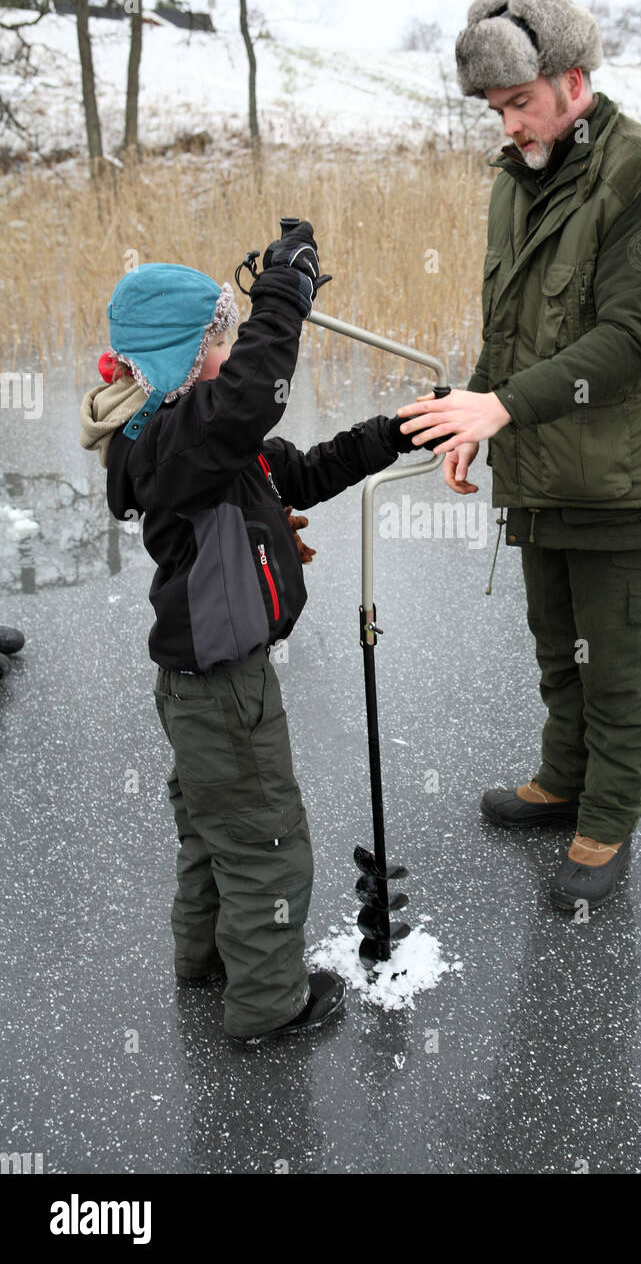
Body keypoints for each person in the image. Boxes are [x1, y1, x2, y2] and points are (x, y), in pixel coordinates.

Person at [398, 0, 641, 910]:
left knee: (614, 656)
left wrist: (501, 411)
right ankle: (563, 778)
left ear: (574, 80)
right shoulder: (520, 179)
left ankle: (607, 821)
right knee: (557, 642)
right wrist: (470, 414)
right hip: (543, 463)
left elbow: (627, 343)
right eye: (495, 111)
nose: (506, 126)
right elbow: (509, 331)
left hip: (626, 473)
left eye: (519, 103)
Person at [79, 221, 417, 1045]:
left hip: (197, 684)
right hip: (225, 686)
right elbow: (252, 393)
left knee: (210, 828)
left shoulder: (195, 438)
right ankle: (271, 1003)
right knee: (267, 840)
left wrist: (399, 430)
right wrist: (285, 293)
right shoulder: (170, 436)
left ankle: (203, 958)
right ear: (178, 359)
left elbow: (300, 468)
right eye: (217, 343)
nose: (229, 356)